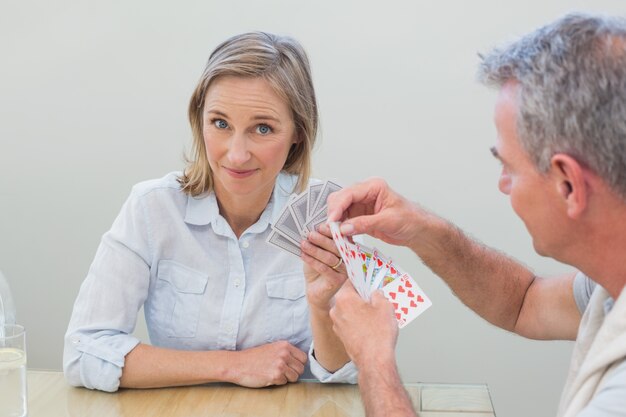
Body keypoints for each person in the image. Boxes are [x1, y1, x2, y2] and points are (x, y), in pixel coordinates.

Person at [326, 13, 626, 417]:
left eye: (509, 168)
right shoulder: (611, 284)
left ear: (569, 184)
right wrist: (421, 229)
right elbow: (524, 303)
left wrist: (373, 359)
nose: (503, 184)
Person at [63, 31, 356, 392]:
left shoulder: (324, 217)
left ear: (298, 132)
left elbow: (347, 378)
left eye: (262, 128)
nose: (236, 154)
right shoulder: (152, 209)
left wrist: (322, 304)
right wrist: (232, 366)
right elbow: (84, 353)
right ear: (199, 119)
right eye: (220, 124)